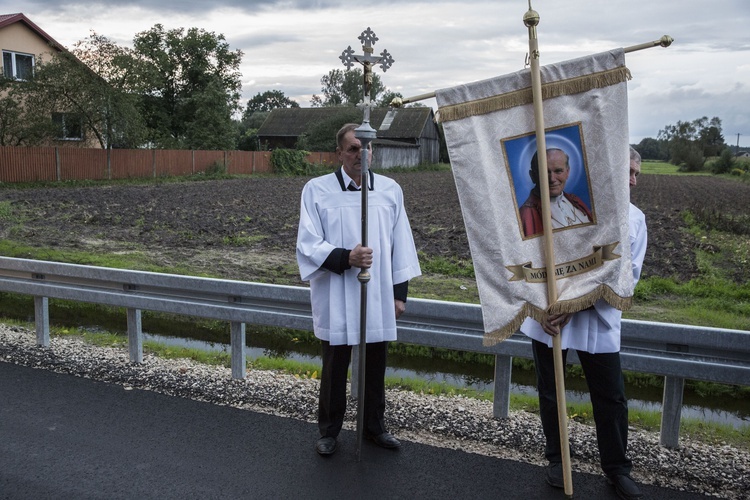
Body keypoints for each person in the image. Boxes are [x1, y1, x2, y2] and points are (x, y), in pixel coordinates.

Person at [520, 145, 647, 500]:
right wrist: (546, 304)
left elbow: (626, 279)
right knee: (551, 391)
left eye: (637, 174)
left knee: (610, 395)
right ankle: (558, 460)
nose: (633, 182)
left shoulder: (633, 219)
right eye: (628, 173)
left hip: (597, 316)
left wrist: (575, 304)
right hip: (550, 313)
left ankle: (617, 468)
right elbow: (529, 264)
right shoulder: (553, 211)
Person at [296, 123, 422, 457]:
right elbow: (308, 243)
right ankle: (330, 430)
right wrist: (345, 257)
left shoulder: (390, 190)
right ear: (339, 153)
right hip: (337, 290)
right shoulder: (317, 190)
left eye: (365, 148)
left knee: (375, 363)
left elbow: (401, 245)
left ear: (373, 151)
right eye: (352, 148)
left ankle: (374, 427)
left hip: (377, 292)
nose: (359, 154)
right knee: (335, 365)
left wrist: (399, 294)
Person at [519, 148, 593, 237]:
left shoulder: (575, 201)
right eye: (544, 172)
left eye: (558, 171)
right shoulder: (527, 214)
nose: (552, 179)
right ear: (533, 176)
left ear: (567, 172)